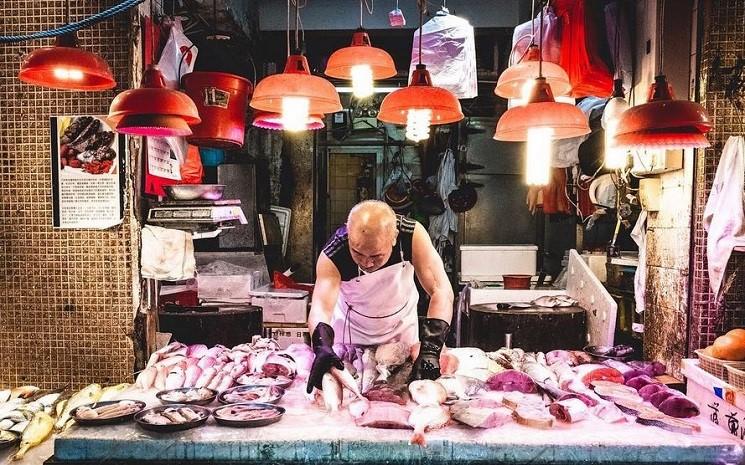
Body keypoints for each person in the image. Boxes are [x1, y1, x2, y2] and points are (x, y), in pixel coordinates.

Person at [306, 200, 453, 393]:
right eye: (358, 253)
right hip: (352, 331)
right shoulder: (334, 252)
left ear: (394, 238)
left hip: (399, 328)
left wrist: (431, 350)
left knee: (403, 394)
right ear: (349, 234)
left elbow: (440, 290)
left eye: (376, 256)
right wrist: (321, 345)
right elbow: (321, 307)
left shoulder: (411, 235)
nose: (366, 263)